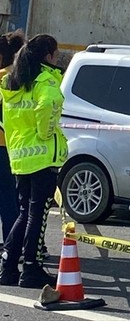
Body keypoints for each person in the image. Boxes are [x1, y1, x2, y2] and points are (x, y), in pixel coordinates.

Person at [0, 34, 68, 288]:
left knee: (24, 213)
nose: (58, 58)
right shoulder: (44, 80)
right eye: (56, 54)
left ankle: (8, 267)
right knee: (36, 215)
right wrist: (46, 131)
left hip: (19, 156)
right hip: (41, 157)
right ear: (48, 56)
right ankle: (31, 268)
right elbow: (50, 102)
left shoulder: (12, 82)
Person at [0, 30, 26, 246]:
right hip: (13, 145)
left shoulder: (2, 77)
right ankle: (12, 242)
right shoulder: (21, 78)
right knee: (10, 199)